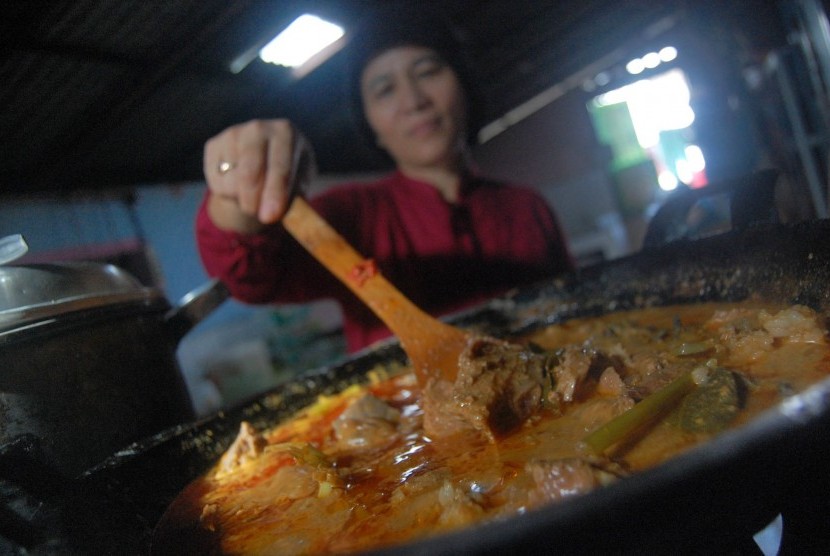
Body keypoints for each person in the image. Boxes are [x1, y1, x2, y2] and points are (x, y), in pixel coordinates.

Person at [196, 7, 574, 353]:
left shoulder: (528, 207)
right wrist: (239, 185)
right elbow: (248, 276)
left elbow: (580, 312)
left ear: (463, 85)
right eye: (384, 89)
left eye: (427, 71)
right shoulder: (352, 215)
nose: (413, 101)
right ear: (371, 125)